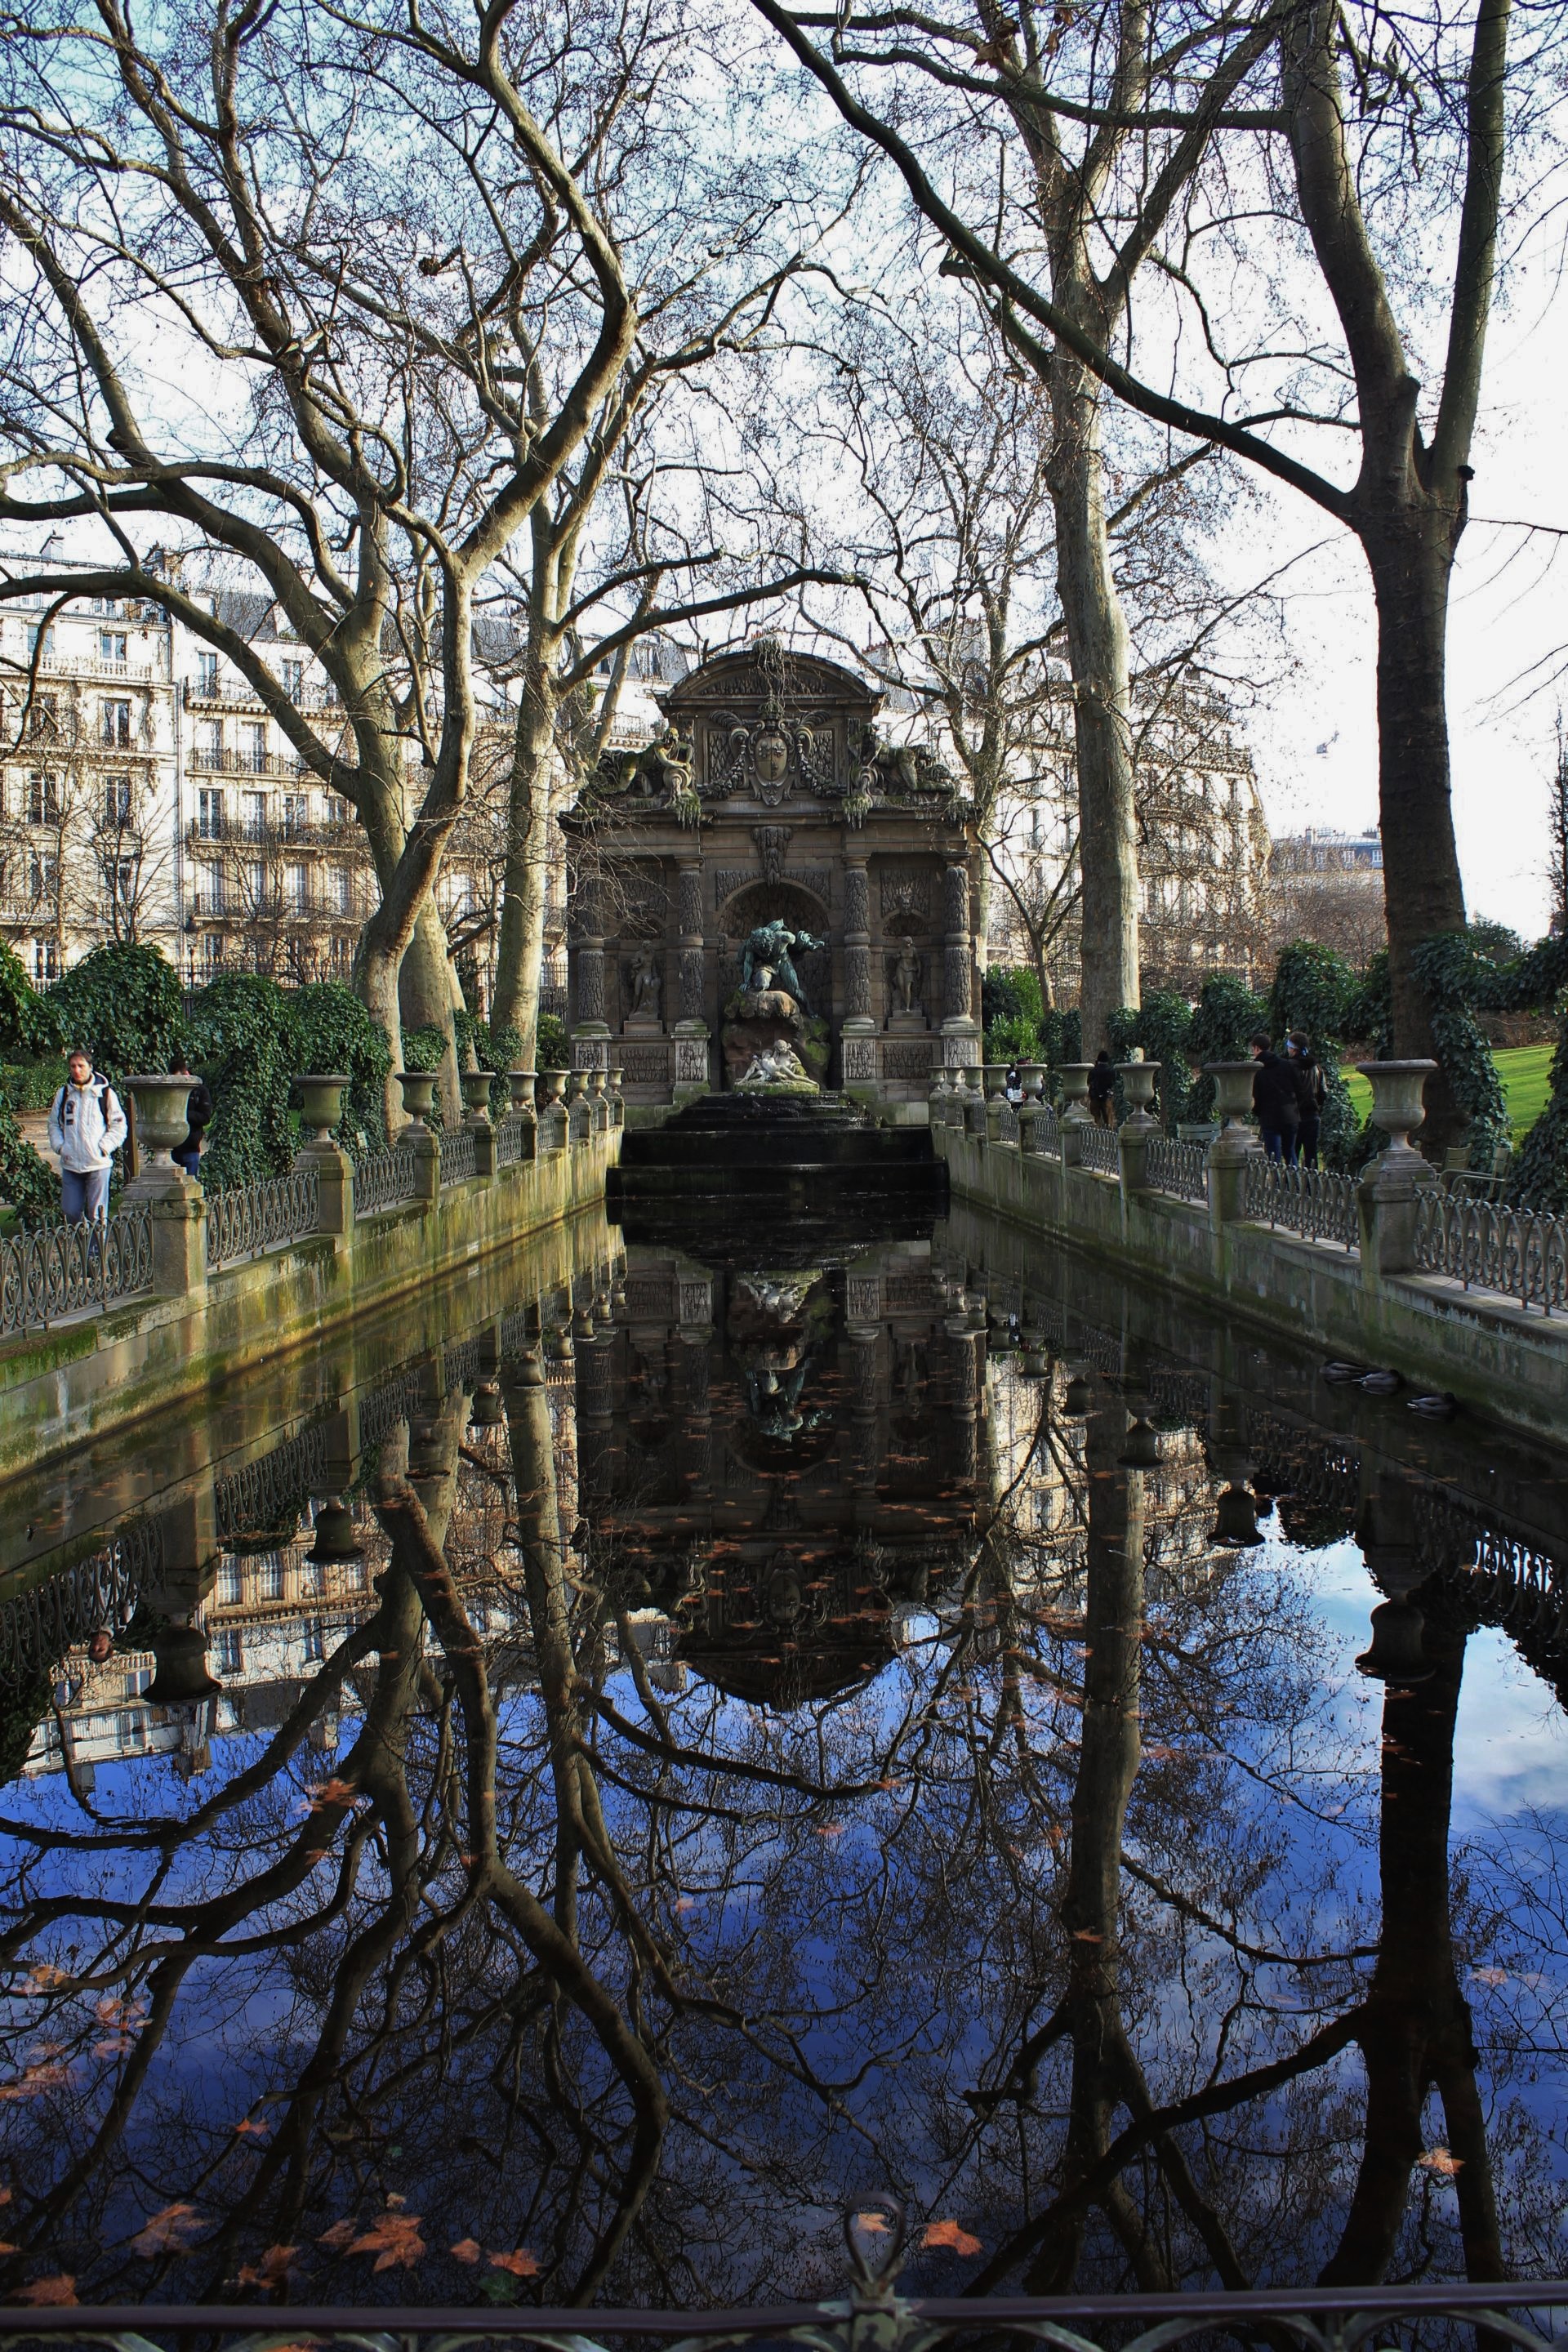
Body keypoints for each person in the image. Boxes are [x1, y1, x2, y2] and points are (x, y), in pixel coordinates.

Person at [47, 1048, 127, 1224]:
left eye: (81, 1066)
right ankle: (83, 1244)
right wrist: (61, 1146)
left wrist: (104, 1147)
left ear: (90, 1067)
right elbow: (54, 1123)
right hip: (71, 1164)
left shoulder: (105, 1093)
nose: (77, 1070)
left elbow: (119, 1125)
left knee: (97, 1216)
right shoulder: (64, 1094)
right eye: (73, 1066)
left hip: (97, 1164)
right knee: (70, 1211)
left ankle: (95, 1252)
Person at [1250, 1031, 1300, 1164]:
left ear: (1256, 1048)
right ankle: (1294, 1182)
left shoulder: (1256, 1070)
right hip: (1290, 1114)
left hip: (1269, 1116)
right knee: (1290, 1152)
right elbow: (1298, 1087)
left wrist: (1258, 1112)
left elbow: (1255, 1095)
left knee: (1274, 1156)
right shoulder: (1287, 1064)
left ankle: (1277, 1183)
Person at [171, 1054, 213, 1181]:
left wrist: (184, 1113)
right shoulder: (170, 1091)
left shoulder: (200, 1091)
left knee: (190, 1182)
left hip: (190, 1147)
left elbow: (205, 1117)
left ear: (187, 1074)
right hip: (172, 1147)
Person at [1288, 1031, 1326, 1168]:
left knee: (1292, 1153)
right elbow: (1323, 1092)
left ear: (1293, 1048)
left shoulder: (1289, 1067)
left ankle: (1293, 1185)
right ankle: (1313, 1186)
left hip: (1294, 1115)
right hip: (1313, 1114)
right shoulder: (1317, 1067)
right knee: (1311, 1154)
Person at [1088, 1049, 1116, 1128]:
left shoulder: (1093, 1071)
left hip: (1094, 1097)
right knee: (1109, 1121)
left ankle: (1097, 1137)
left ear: (1098, 1060)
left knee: (1095, 1121)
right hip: (1106, 1097)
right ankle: (1110, 1136)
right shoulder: (1111, 1071)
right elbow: (1112, 1083)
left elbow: (1089, 1082)